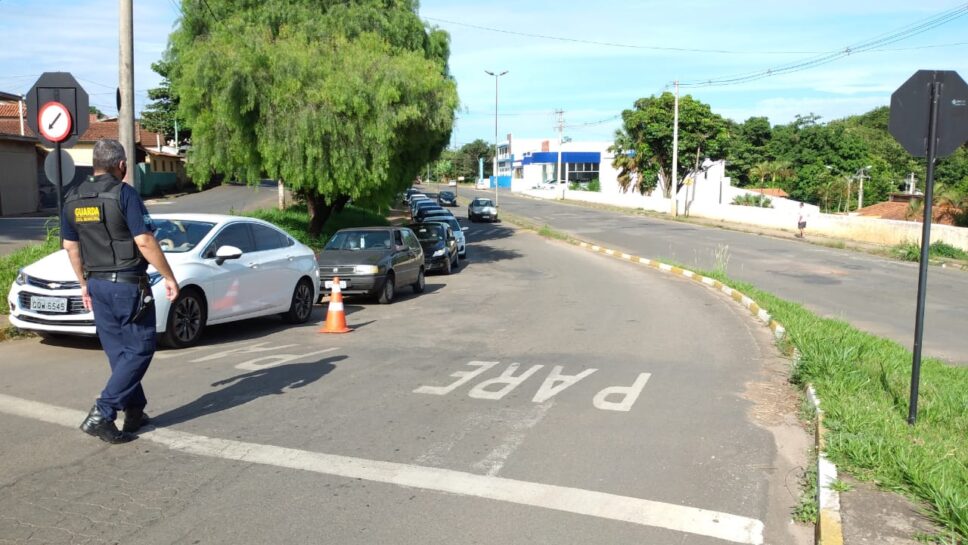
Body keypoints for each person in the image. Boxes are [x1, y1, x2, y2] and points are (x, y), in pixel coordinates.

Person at [62, 139, 179, 444]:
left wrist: (84, 283)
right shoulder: (124, 193)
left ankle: (135, 410)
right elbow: (144, 241)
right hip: (126, 284)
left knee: (118, 353)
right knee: (140, 348)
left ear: (94, 163)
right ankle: (103, 412)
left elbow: (71, 247)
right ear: (122, 165)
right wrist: (169, 277)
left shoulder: (72, 197)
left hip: (97, 285)